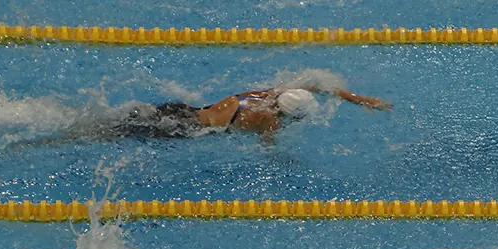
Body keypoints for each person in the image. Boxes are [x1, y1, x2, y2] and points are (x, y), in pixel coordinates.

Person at [113, 85, 392, 141]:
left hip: (182, 111)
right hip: (184, 130)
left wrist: (362, 99)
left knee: (125, 119)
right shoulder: (268, 120)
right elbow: (267, 149)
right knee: (115, 133)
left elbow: (320, 86)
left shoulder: (270, 93)